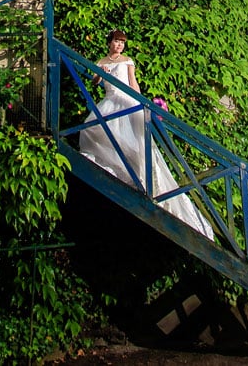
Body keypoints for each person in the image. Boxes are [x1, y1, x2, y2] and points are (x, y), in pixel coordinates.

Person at [79, 30, 215, 241]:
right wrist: (100, 72)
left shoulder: (127, 61)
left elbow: (133, 83)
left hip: (126, 102)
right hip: (110, 102)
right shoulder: (101, 61)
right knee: (95, 129)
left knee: (135, 142)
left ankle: (140, 178)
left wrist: (141, 103)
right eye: (116, 42)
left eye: (122, 42)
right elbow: (96, 81)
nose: (119, 46)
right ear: (109, 43)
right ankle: (118, 171)